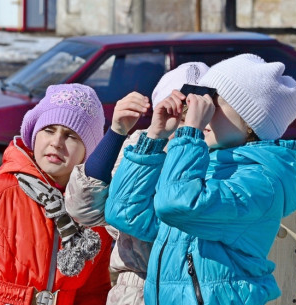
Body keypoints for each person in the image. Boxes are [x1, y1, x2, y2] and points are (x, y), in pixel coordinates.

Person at [104, 53, 296, 305]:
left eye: (215, 102)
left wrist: (190, 133)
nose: (204, 111)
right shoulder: (202, 166)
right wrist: (154, 138)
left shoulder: (261, 181)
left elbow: (177, 204)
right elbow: (125, 213)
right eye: (202, 99)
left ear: (252, 122)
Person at [0, 84, 112, 305]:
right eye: (49, 130)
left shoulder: (92, 212)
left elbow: (93, 294)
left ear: (88, 150)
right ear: (35, 135)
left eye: (71, 135)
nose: (56, 142)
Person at [65, 62, 210, 305]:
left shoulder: (212, 153)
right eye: (177, 113)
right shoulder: (139, 144)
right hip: (137, 288)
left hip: (199, 286)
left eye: (195, 115)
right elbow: (83, 209)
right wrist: (117, 131)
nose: (186, 126)